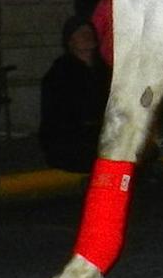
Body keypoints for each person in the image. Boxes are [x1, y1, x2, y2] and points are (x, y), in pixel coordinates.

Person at [38, 17, 111, 173]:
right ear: (70, 42)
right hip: (72, 141)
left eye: (90, 32)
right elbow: (59, 118)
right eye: (80, 33)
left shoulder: (103, 71)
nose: (87, 36)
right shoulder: (60, 73)